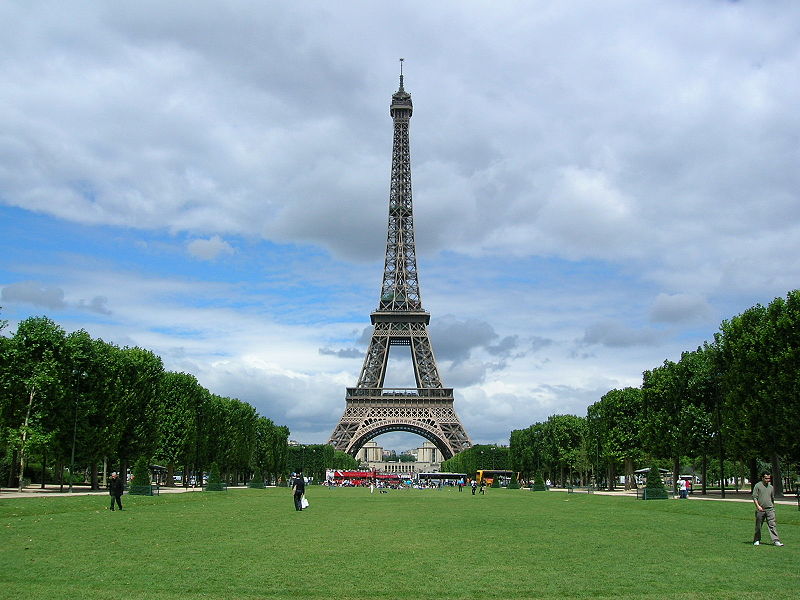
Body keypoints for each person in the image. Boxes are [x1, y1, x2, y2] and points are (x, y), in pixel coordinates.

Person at [752, 471, 783, 546]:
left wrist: (772, 507)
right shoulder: (757, 486)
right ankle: (756, 540)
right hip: (760, 509)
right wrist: (758, 506)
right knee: (758, 526)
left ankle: (776, 540)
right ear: (762, 478)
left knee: (772, 525)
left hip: (770, 509)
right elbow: (754, 497)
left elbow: (772, 498)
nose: (767, 480)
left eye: (769, 478)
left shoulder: (771, 487)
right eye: (766, 478)